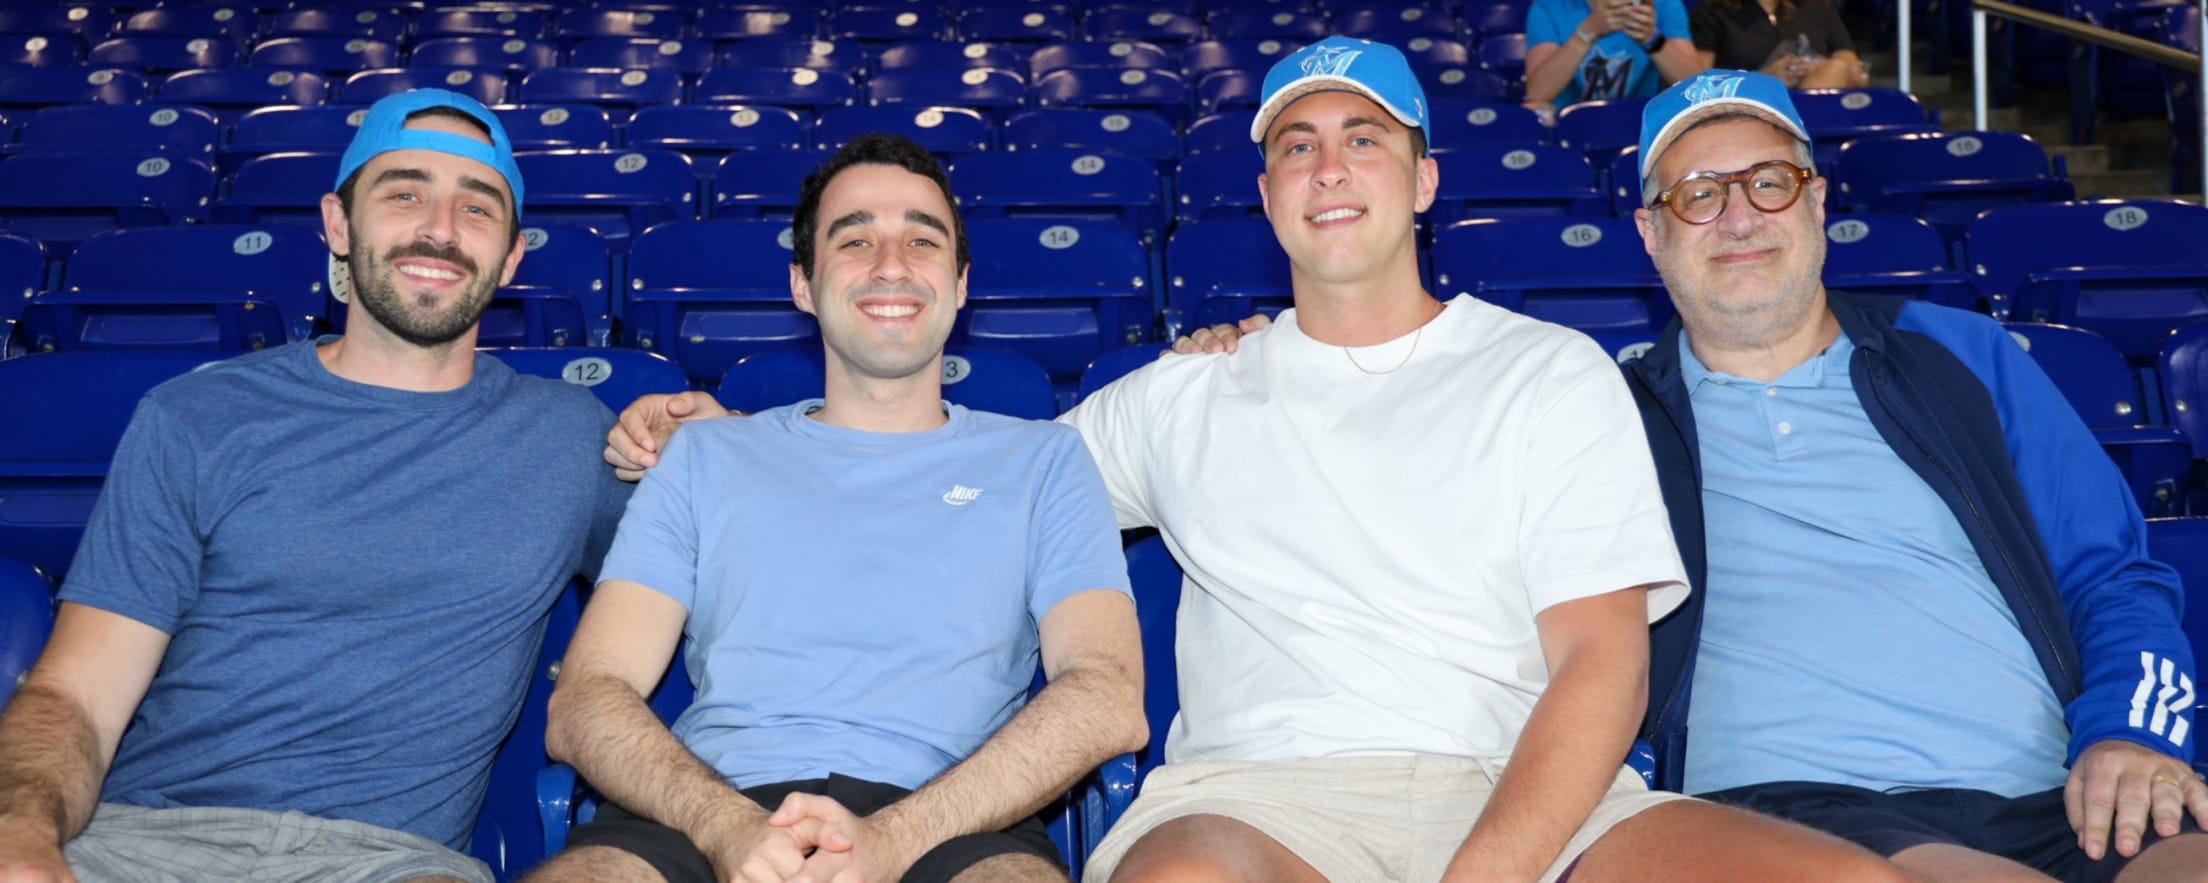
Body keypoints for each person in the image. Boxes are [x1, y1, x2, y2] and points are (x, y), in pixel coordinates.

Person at [607, 38, 1906, 883]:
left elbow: (1602, 659)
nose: (1328, 167)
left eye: (1363, 139)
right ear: (1270, 195)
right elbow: (946, 468)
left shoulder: (1550, 371)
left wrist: (1487, 869)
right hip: (1262, 805)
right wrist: (737, 431)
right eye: (1296, 147)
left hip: (1531, 793)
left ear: (1424, 180)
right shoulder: (1183, 395)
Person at [0, 89, 631, 883]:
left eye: (477, 207)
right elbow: (77, 695)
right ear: (338, 223)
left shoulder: (570, 436)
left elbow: (734, 562)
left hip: (391, 864)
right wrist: (22, 832)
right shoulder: (197, 416)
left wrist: (714, 436)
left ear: (509, 258)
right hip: (140, 843)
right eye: (404, 194)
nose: (440, 228)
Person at [1624, 69, 2208, 881]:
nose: (1740, 217)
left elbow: (2112, 577)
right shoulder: (1611, 419)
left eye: (1769, 181)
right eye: (1698, 194)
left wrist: (2128, 733)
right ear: (1652, 233)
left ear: (1816, 201)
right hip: (1791, 811)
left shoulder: (1961, 353)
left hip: (2061, 794)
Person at [525, 134, 1146, 883]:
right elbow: (586, 698)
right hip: (707, 813)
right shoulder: (704, 455)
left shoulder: (1044, 461)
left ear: (961, 284)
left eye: (923, 240)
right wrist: (725, 827)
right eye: (855, 240)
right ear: (803, 283)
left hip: (957, 819)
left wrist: (895, 838)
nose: (891, 264)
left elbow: (1106, 694)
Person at [1523, 0, 1705, 120]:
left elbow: (1697, 85)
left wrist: (1651, 38)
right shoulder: (1549, 7)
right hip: (1571, 123)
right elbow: (1537, 93)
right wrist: (1587, 33)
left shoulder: (1664, 5)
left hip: (1639, 121)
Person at [1689, 0, 1869, 88]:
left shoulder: (1817, 8)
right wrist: (1763, 78)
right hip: (1751, 109)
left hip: (1818, 102)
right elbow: (1700, 84)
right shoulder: (1711, 13)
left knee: (1834, 69)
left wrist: (1816, 71)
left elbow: (1849, 64)